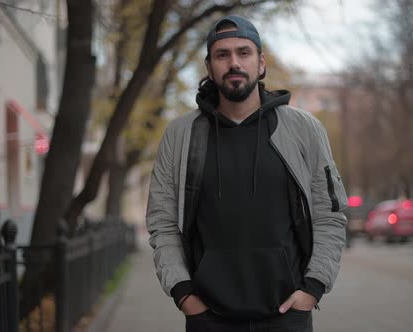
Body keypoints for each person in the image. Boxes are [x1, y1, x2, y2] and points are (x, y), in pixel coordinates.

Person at [146, 14, 348, 332]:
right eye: (222, 55)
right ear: (210, 67)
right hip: (208, 319)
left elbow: (330, 214)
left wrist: (312, 289)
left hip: (287, 317)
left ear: (261, 63)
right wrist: (183, 294)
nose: (233, 63)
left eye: (244, 52)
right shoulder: (182, 134)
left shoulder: (303, 129)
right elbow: (163, 222)